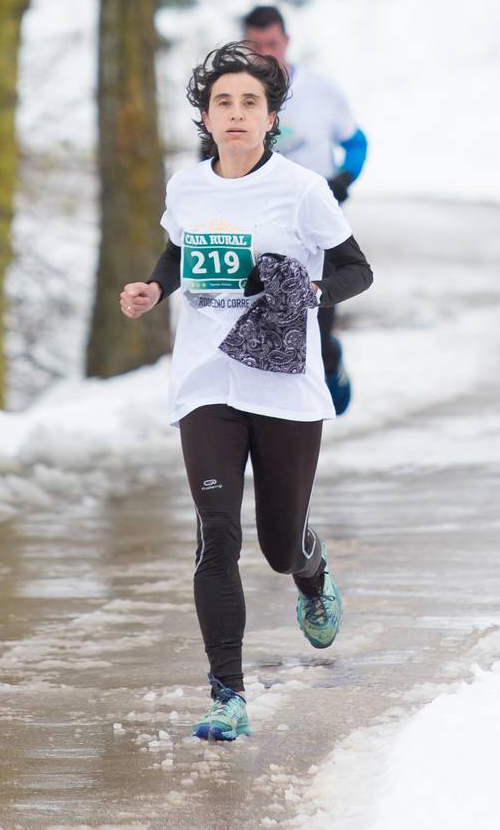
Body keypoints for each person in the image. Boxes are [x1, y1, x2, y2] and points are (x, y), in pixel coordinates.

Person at [119, 43, 373, 741]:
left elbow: (357, 270)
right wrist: (154, 286)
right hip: (206, 381)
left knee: (276, 544)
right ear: (205, 116)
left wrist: (308, 292)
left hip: (284, 387)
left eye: (249, 103)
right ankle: (225, 694)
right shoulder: (187, 185)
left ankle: (310, 571)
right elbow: (178, 250)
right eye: (222, 102)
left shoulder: (300, 190)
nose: (235, 114)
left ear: (270, 119)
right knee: (215, 536)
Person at [242, 5, 368, 416]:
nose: (265, 53)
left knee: (317, 314)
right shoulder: (237, 98)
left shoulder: (321, 91)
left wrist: (343, 182)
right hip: (262, 222)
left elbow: (356, 143)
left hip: (317, 219)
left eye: (272, 44)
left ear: (287, 42)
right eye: (255, 46)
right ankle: (272, 402)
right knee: (264, 309)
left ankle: (328, 367)